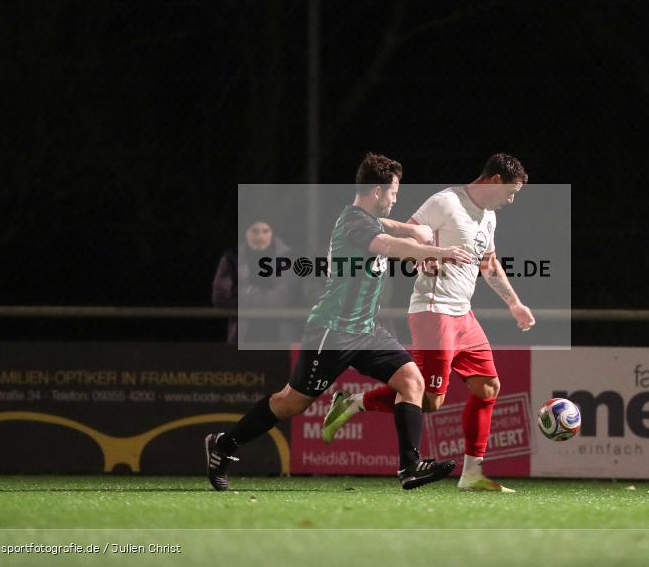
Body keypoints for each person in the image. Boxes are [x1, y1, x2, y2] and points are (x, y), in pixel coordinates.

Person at [205, 152, 472, 491]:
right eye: (393, 192)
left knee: (411, 382)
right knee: (291, 402)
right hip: (333, 331)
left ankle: (410, 465)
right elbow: (387, 244)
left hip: (366, 330)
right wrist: (437, 252)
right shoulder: (355, 223)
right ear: (377, 191)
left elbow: (392, 228)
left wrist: (418, 234)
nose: (395, 198)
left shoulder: (366, 218)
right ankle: (224, 445)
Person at [322, 153, 534, 493]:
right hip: (433, 311)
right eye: (511, 192)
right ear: (495, 181)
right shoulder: (446, 202)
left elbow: (488, 262)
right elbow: (409, 234)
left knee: (489, 387)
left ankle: (473, 473)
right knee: (431, 401)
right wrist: (425, 260)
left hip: (463, 314)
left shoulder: (489, 217)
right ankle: (354, 402)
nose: (511, 200)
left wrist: (515, 303)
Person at [211, 221, 296, 344]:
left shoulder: (288, 258)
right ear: (246, 233)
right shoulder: (232, 258)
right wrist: (265, 297)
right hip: (242, 338)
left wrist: (245, 292)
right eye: (255, 231)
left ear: (273, 233)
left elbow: (283, 299)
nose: (260, 237)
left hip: (280, 339)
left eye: (266, 231)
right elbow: (219, 296)